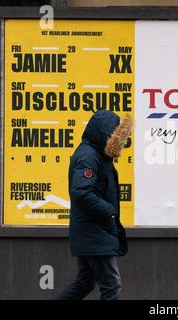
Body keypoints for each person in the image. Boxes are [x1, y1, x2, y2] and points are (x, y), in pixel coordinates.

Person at [55, 110, 133, 300]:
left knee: (85, 283)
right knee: (112, 286)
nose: (119, 140)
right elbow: (81, 191)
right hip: (94, 232)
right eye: (115, 134)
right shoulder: (89, 156)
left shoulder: (98, 154)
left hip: (94, 231)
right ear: (105, 133)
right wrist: (109, 212)